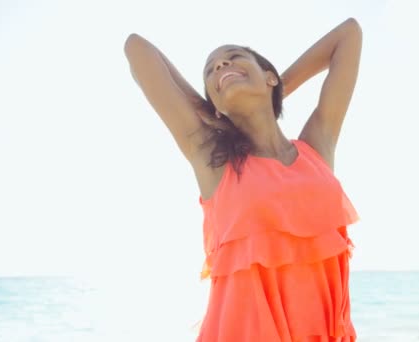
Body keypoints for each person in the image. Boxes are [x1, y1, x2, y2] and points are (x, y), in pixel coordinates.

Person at [124, 17, 362, 341]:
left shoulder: (317, 146)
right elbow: (137, 48)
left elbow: (349, 34)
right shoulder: (213, 161)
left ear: (268, 76)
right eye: (211, 71)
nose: (221, 63)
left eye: (234, 57)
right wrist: (217, 107)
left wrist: (274, 90)